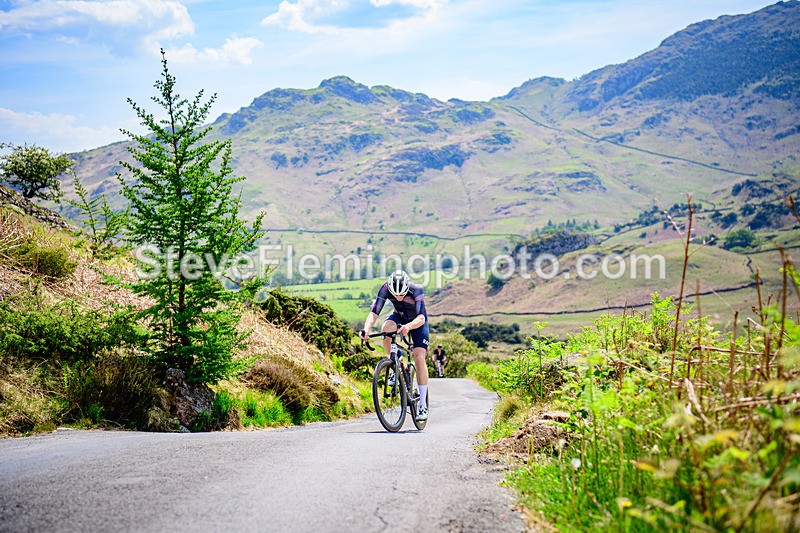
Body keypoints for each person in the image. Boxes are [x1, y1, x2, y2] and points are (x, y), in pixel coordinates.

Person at [360, 269, 430, 421]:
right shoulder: (385, 289)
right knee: (385, 330)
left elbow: (421, 318)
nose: (398, 297)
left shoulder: (416, 289)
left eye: (402, 295)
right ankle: (395, 362)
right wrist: (366, 329)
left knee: (419, 357)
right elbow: (374, 313)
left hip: (417, 321)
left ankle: (422, 405)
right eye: (395, 295)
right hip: (399, 317)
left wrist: (409, 326)